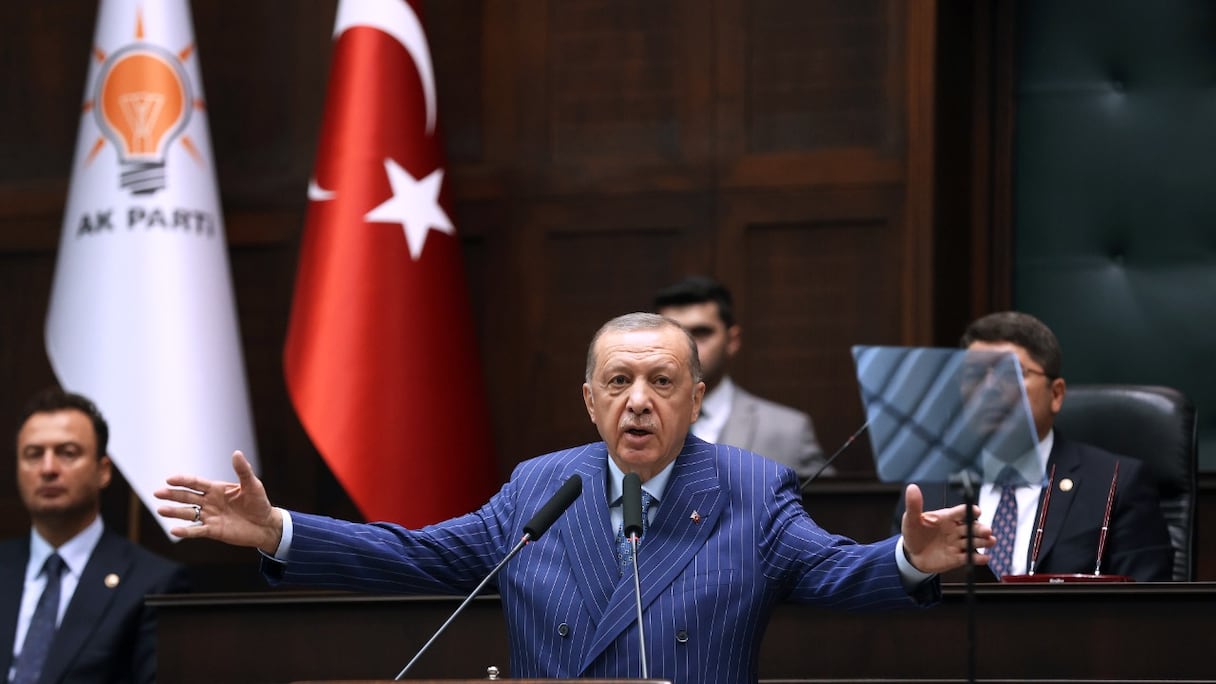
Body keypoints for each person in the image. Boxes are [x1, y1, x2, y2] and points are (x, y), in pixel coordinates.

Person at [156, 312, 993, 684]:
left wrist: (908, 560)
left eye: (662, 381)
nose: (639, 400)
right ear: (588, 401)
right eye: (618, 381)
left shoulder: (750, 487)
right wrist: (277, 532)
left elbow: (837, 573)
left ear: (695, 400)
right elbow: (414, 556)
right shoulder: (538, 487)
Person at [895, 311, 1172, 582]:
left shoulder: (1117, 483)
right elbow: (892, 599)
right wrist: (912, 566)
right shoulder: (929, 486)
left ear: (1056, 394)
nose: (990, 388)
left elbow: (1145, 612)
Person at [2, 388, 189, 684]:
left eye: (68, 453)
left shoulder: (154, 584)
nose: (48, 469)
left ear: (103, 471)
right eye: (33, 455)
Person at [653, 275, 832, 480]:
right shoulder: (626, 423)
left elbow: (825, 509)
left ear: (732, 340)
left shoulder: (788, 431)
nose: (688, 348)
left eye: (701, 333)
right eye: (674, 335)